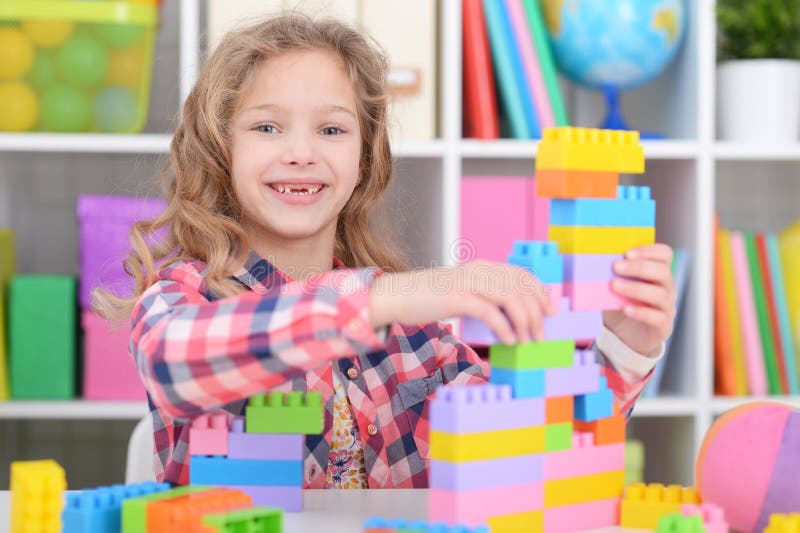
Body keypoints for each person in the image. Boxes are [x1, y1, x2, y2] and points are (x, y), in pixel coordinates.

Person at [96, 13, 676, 489]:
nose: (301, 153)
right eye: (267, 127)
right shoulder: (182, 297)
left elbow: (529, 449)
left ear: (364, 159)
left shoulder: (416, 340)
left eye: (332, 130)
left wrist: (624, 349)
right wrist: (382, 299)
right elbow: (172, 364)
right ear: (220, 148)